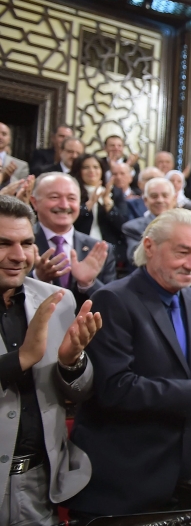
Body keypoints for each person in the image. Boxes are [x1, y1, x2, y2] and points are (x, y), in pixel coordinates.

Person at [67, 209, 191, 519]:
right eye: (182, 252)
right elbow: (114, 389)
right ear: (150, 246)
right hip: (121, 479)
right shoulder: (114, 300)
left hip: (178, 476)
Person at [0, 195, 102, 526]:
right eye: (3, 244)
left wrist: (72, 363)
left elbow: (80, 391)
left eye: (27, 243)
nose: (19, 255)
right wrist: (21, 358)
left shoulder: (57, 299)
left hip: (40, 484)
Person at [30, 173, 116, 307]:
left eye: (71, 198)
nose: (64, 205)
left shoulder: (99, 250)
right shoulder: (21, 244)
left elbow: (112, 305)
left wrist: (88, 284)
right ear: (34, 202)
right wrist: (37, 278)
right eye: (54, 197)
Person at [69, 154, 129, 251]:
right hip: (78, 247)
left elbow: (123, 226)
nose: (91, 171)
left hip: (109, 248)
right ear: (78, 170)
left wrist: (108, 204)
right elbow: (69, 221)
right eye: (86, 167)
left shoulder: (114, 192)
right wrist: (89, 205)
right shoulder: (71, 193)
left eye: (96, 167)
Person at [122, 177, 177, 269]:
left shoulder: (186, 226)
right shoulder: (133, 228)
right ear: (145, 201)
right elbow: (136, 258)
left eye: (165, 196)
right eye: (154, 196)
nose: (160, 200)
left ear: (174, 199)